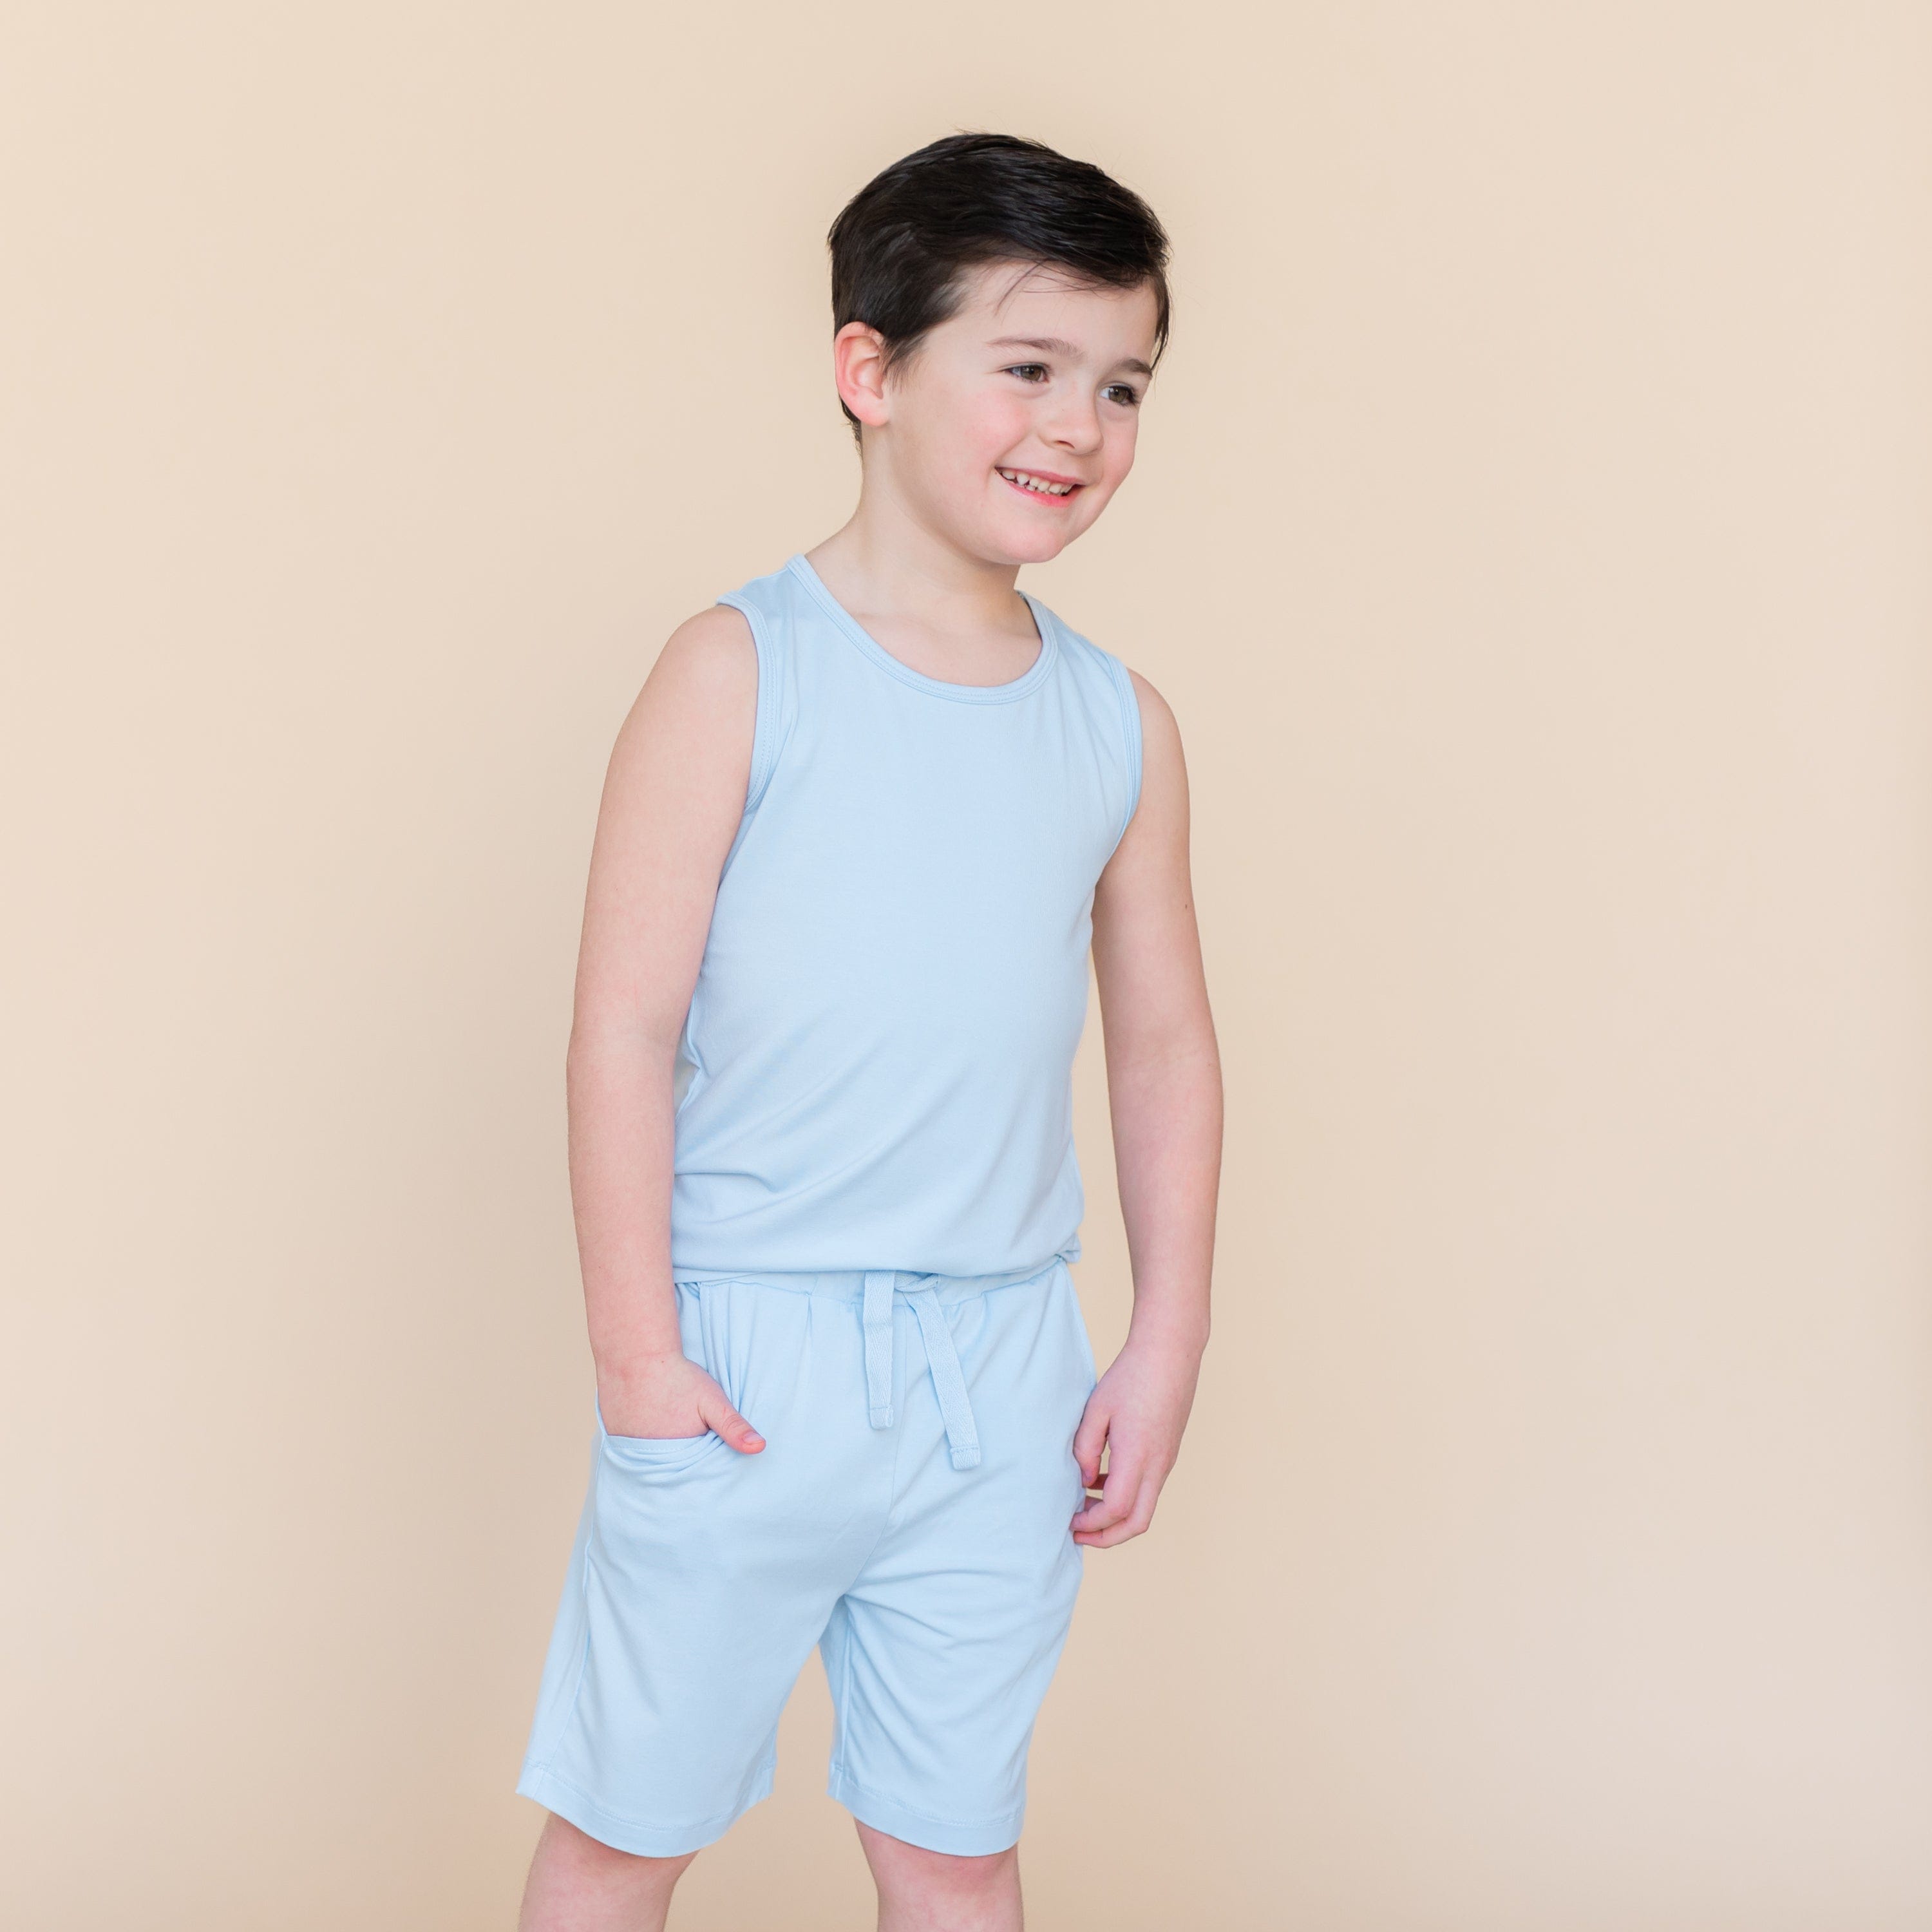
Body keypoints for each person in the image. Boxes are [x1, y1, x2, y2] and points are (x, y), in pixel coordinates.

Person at [514, 131, 1222, 1932]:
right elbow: (622, 1027)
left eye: (1123, 383)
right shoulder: (739, 669)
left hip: (1002, 1374)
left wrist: (1159, 1341)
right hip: (746, 1361)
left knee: (954, 1852)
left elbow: (1162, 1052)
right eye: (1031, 367)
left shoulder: (1118, 726)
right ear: (870, 371)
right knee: (623, 1833)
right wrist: (638, 1365)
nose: (1080, 426)